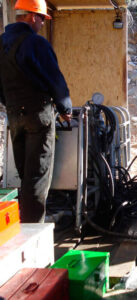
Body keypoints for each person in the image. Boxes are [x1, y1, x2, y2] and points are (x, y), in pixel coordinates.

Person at [0, 0, 72, 223]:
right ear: (32, 16)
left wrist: (10, 104)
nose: (42, 24)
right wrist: (65, 109)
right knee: (37, 177)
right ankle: (33, 232)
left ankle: (25, 222)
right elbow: (54, 79)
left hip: (14, 116)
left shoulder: (2, 43)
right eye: (41, 19)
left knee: (25, 176)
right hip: (38, 116)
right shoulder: (35, 43)